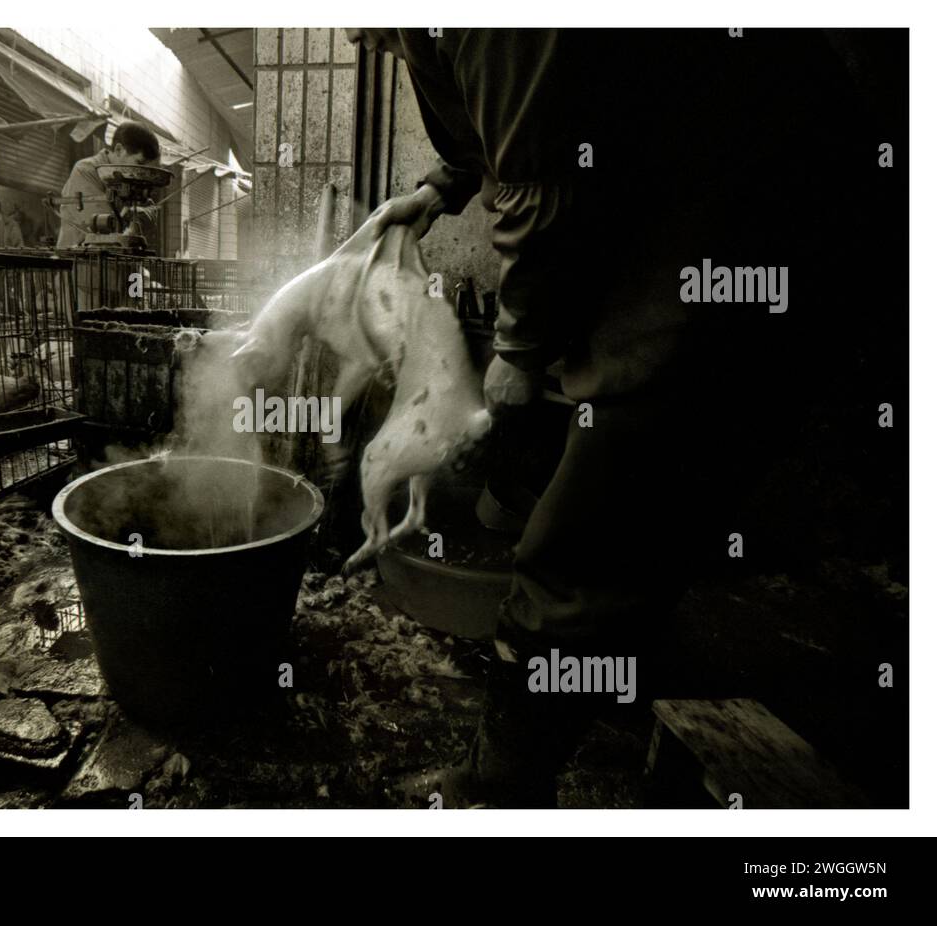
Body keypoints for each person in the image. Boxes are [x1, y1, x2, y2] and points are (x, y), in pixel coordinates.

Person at [344, 29, 868, 806]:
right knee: (592, 480)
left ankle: (500, 785)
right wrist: (439, 188)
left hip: (743, 210)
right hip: (662, 205)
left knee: (596, 511)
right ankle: (602, 669)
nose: (351, 34)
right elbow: (504, 131)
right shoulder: (429, 33)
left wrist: (520, 351)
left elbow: (539, 184)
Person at [55, 120, 162, 249]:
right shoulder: (86, 170)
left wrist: (141, 215)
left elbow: (149, 212)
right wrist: (135, 218)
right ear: (119, 150)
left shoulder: (129, 179)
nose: (142, 173)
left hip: (115, 256)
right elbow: (104, 227)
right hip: (79, 257)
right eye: (139, 163)